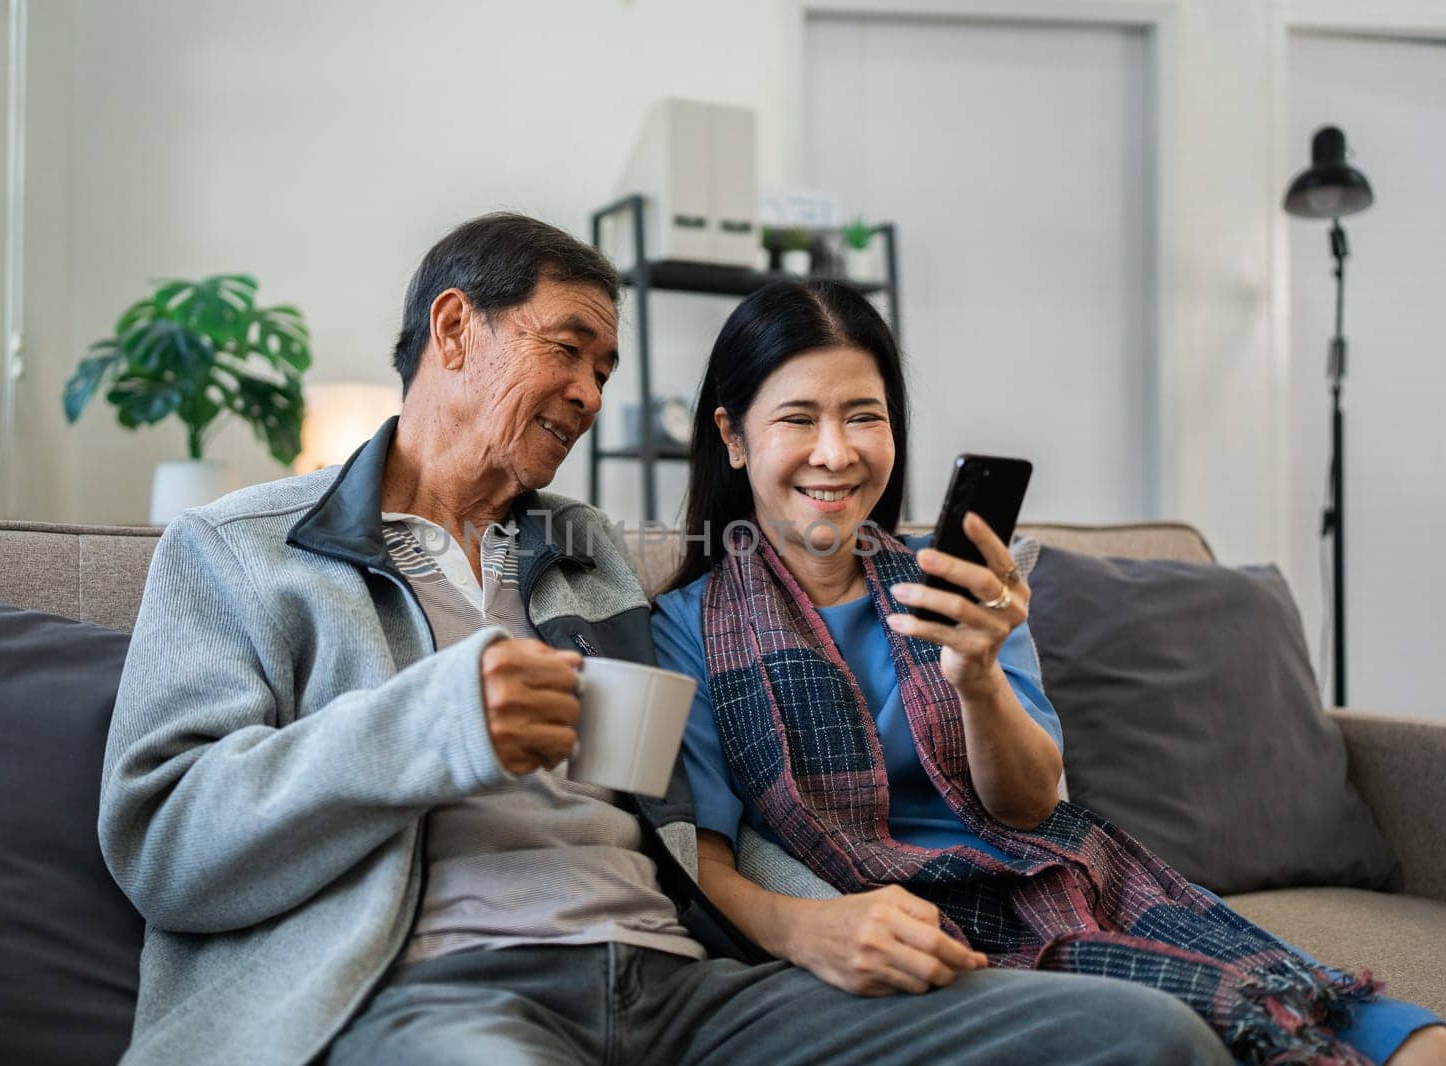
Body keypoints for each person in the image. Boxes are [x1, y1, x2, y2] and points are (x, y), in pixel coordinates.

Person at [100, 215, 1233, 1066]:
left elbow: (686, 812)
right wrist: (431, 724)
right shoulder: (241, 550)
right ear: (455, 328)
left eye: (606, 368)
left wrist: (814, 926)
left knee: (1140, 1037)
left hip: (680, 986)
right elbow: (161, 843)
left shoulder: (583, 549)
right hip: (444, 990)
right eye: (569, 350)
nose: (591, 392)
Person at [651, 278, 1446, 1066]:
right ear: (734, 436)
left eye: (865, 416)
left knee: (1403, 1039)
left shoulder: (960, 587)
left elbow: (1032, 806)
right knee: (1172, 1035)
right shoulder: (689, 629)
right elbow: (700, 857)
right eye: (799, 418)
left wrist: (978, 674)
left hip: (1062, 879)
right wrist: (807, 928)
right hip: (924, 932)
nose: (837, 452)